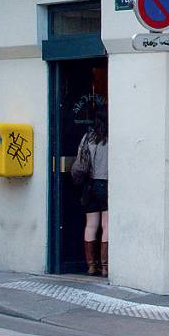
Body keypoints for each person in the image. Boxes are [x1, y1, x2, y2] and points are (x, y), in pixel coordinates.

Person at [77, 109, 109, 276]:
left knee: (91, 225)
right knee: (106, 225)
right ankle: (105, 267)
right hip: (106, 184)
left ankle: (91, 265)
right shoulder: (110, 139)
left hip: (89, 185)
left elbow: (80, 160)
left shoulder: (87, 138)